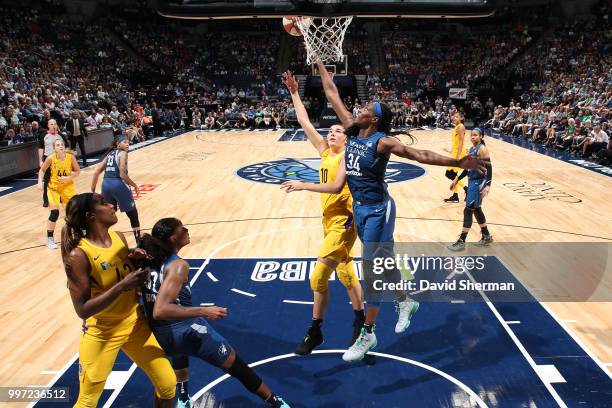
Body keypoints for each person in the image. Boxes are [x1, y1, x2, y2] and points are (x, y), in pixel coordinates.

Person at [282, 61, 488, 362]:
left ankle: (368, 332)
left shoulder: (382, 142)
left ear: (375, 120)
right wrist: (318, 62)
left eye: (369, 107)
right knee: (385, 264)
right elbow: (331, 93)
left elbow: (421, 154)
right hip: (362, 211)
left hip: (380, 210)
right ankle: (405, 301)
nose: (362, 107)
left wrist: (458, 162)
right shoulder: (352, 132)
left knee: (371, 270)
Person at [140, 218, 290, 408]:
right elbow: (161, 310)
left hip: (161, 335)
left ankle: (184, 398)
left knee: (179, 353)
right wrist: (204, 310)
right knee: (236, 366)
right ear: (172, 238)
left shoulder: (146, 256)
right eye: (181, 229)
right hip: (184, 329)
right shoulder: (178, 265)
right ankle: (276, 402)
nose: (187, 229)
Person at [60, 193, 176, 407]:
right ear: (91, 216)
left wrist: (136, 258)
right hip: (102, 332)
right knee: (87, 401)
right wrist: (123, 285)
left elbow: (121, 269)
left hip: (134, 324)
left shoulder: (119, 238)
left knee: (168, 384)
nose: (112, 205)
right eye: (104, 203)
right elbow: (82, 310)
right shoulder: (79, 255)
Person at [281, 71, 364, 355]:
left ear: (347, 137)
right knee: (345, 273)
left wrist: (303, 185)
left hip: (345, 221)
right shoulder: (325, 151)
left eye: (338, 130)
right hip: (329, 222)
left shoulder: (349, 154)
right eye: (330, 130)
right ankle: (361, 325)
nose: (331, 132)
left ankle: (315, 330)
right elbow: (304, 121)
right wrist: (294, 92)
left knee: (317, 278)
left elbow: (333, 187)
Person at [447, 128, 493, 250]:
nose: (473, 137)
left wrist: (488, 185)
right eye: (471, 135)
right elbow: (467, 168)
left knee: (468, 210)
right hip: (472, 181)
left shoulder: (482, 149)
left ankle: (462, 240)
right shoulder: (472, 149)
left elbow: (489, 167)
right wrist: (456, 180)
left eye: (475, 135)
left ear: (481, 136)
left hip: (478, 183)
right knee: (476, 209)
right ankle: (486, 236)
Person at [91, 135, 141, 242]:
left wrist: (92, 190)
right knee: (133, 214)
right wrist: (135, 185)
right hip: (117, 184)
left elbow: (96, 172)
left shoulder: (109, 154)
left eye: (128, 142)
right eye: (125, 142)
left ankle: (97, 236)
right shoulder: (123, 153)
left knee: (108, 213)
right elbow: (122, 174)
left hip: (105, 184)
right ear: (118, 144)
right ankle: (138, 242)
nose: (127, 144)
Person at [37, 138, 80, 249]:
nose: (60, 146)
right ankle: (50, 239)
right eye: (58, 145)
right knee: (54, 213)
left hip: (67, 187)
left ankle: (77, 234)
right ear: (54, 148)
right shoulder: (51, 158)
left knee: (73, 212)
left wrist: (68, 178)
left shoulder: (71, 158)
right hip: (54, 188)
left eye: (62, 144)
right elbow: (41, 171)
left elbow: (77, 171)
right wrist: (40, 182)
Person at [444, 112, 468, 203]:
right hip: (455, 153)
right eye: (454, 116)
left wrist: (457, 158)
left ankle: (466, 189)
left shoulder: (461, 127)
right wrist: (451, 151)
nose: (454, 118)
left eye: (456, 117)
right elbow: (457, 143)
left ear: (461, 118)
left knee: (449, 173)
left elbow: (461, 143)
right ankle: (455, 196)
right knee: (454, 175)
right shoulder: (457, 126)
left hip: (459, 154)